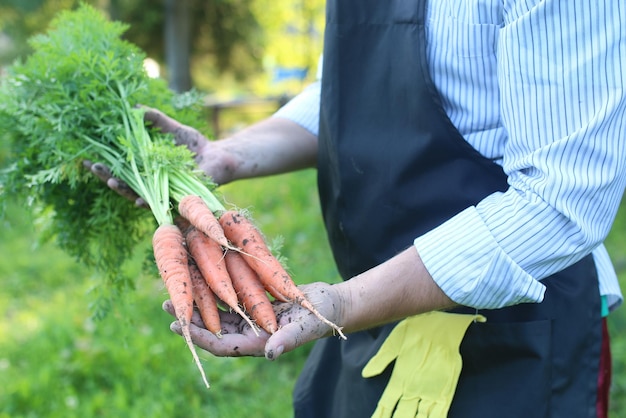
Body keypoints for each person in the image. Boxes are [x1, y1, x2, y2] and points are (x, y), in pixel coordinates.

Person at [95, 0, 625, 416]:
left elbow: (563, 197)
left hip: (521, 328)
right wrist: (227, 154)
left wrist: (342, 305)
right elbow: (351, 89)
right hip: (375, 311)